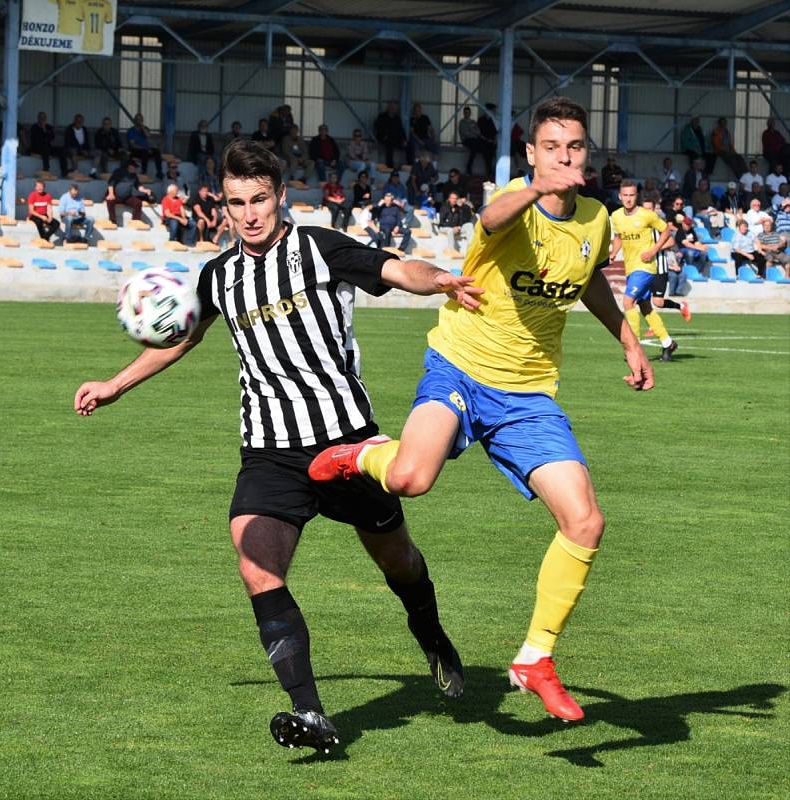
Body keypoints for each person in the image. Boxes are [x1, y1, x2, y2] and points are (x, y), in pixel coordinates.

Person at [73, 138, 477, 754]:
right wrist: (116, 384)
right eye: (238, 203)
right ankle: (311, 713)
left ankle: (433, 639)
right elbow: (180, 338)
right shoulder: (218, 276)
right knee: (256, 564)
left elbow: (396, 268)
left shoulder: (318, 248)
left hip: (347, 443)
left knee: (398, 562)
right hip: (269, 451)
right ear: (225, 209)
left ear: (281, 196)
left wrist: (441, 279)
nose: (251, 213)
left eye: (260, 199)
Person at [309, 96, 655, 723]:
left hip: (528, 397)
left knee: (585, 521)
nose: (564, 157)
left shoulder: (598, 218)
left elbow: (589, 282)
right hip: (461, 368)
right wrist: (535, 188)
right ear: (531, 154)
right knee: (411, 479)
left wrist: (629, 340)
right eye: (551, 147)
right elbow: (494, 219)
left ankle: (535, 658)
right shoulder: (513, 204)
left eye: (574, 147)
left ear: (587, 153)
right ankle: (364, 454)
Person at [611, 180, 678, 360]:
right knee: (645, 307)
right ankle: (667, 343)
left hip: (646, 267)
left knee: (627, 302)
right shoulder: (616, 216)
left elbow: (666, 231)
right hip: (631, 268)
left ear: (636, 196)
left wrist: (653, 250)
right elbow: (618, 236)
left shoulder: (646, 215)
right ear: (619, 196)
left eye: (632, 195)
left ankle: (634, 347)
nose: (628, 199)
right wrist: (614, 252)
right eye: (625, 195)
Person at [640, 198, 690, 322]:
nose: (647, 211)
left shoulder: (660, 225)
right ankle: (654, 325)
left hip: (659, 268)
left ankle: (681, 306)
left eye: (649, 208)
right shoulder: (638, 225)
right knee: (641, 299)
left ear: (654, 210)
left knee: (658, 302)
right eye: (644, 208)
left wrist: (654, 250)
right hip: (644, 267)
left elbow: (671, 241)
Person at [105, 160, 153, 225]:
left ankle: (136, 221)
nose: (135, 169)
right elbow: (111, 184)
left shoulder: (134, 175)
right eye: (134, 167)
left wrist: (144, 190)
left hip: (127, 197)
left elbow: (138, 185)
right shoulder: (118, 172)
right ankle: (112, 220)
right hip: (116, 196)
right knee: (110, 201)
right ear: (129, 166)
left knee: (138, 203)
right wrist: (111, 194)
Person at [29, 111, 68, 176]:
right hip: (37, 148)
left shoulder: (49, 127)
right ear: (38, 118)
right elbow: (37, 139)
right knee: (45, 149)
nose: (42, 119)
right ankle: (46, 169)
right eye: (41, 117)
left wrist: (44, 130)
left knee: (61, 150)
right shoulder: (34, 127)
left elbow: (52, 137)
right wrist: (44, 134)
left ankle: (64, 171)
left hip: (47, 147)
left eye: (44, 118)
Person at [127, 113, 163, 179]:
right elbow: (133, 145)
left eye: (141, 120)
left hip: (146, 149)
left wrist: (142, 127)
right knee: (145, 153)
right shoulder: (131, 131)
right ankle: (144, 172)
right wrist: (145, 149)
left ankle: (159, 172)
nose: (139, 121)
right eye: (138, 119)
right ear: (135, 120)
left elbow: (148, 136)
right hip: (135, 151)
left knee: (156, 151)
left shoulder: (144, 129)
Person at [374, 101, 407, 168]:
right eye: (392, 108)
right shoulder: (382, 116)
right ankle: (390, 166)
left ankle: (409, 165)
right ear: (389, 108)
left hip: (396, 139)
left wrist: (404, 139)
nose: (394, 110)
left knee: (409, 145)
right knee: (389, 145)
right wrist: (383, 135)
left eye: (395, 108)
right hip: (385, 138)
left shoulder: (397, 118)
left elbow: (401, 129)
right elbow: (377, 126)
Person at [458, 106, 487, 176]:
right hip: (466, 140)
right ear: (463, 113)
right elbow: (465, 134)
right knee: (475, 147)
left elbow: (478, 131)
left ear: (470, 113)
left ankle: (488, 169)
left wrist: (472, 131)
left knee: (483, 148)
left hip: (474, 140)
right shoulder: (462, 122)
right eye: (465, 113)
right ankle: (468, 168)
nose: (467, 114)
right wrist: (473, 131)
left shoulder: (473, 122)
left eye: (468, 112)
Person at [477, 104, 498, 178]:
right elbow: (478, 132)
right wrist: (486, 139)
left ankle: (491, 172)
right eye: (493, 110)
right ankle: (489, 172)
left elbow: (496, 132)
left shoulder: (493, 120)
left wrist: (494, 140)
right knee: (487, 155)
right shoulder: (481, 120)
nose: (494, 112)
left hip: (491, 141)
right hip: (483, 141)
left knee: (493, 155)